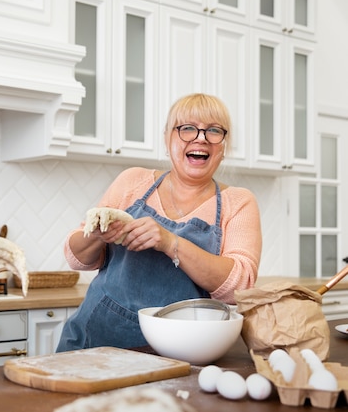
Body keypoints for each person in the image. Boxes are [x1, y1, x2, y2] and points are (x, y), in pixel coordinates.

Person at [56, 93, 262, 352]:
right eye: (187, 128)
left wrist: (170, 242)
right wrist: (97, 235)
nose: (201, 138)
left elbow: (239, 287)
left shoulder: (239, 202)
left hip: (180, 352)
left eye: (213, 130)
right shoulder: (132, 182)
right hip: (94, 344)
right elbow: (76, 259)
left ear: (223, 146)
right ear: (167, 139)